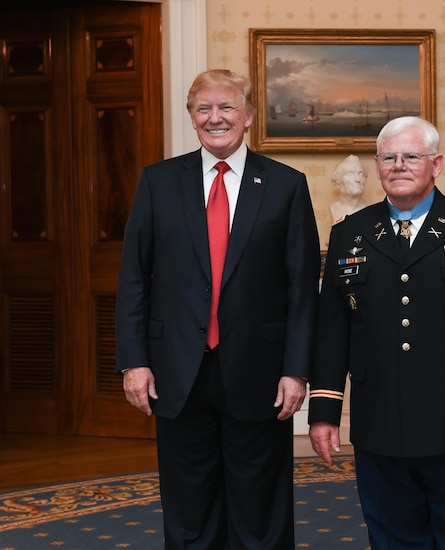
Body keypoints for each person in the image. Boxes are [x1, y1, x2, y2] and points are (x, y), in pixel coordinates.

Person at [116, 69, 320, 549]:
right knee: (189, 511)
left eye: (226, 107)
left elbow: (302, 287)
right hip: (175, 372)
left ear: (247, 116)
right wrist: (134, 360)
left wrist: (297, 369)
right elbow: (133, 279)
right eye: (203, 108)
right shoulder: (158, 181)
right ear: (191, 118)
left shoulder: (287, 185)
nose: (216, 117)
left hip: (261, 371)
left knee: (261, 512)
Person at [308, 116, 445, 550]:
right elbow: (333, 330)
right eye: (388, 157)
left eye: (411, 156)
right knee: (391, 538)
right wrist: (324, 411)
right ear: (377, 165)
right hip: (379, 422)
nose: (398, 165)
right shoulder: (349, 233)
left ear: (436, 164)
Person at [328, 154, 369, 221]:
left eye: (361, 174)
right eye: (350, 174)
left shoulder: (370, 209)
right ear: (338, 181)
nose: (358, 179)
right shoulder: (334, 209)